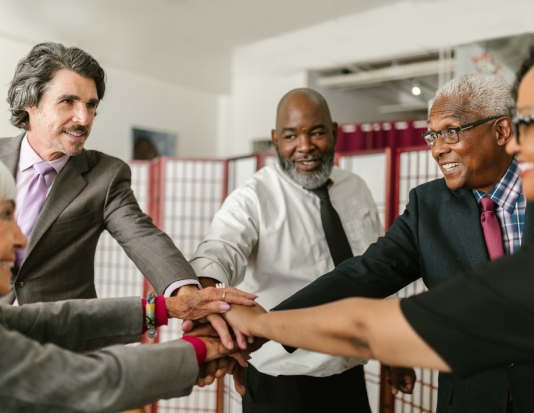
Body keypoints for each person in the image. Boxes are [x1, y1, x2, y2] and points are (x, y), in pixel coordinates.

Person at [221, 48, 534, 410]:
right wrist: (264, 327)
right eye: (432, 137)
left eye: (451, 132)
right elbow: (361, 276)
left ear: (502, 130)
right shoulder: (427, 206)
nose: (437, 150)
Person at [1, 42, 239, 342]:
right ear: (31, 103)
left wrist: (188, 293)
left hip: (68, 344)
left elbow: (142, 236)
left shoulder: (106, 174)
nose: (84, 118)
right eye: (68, 102)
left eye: (91, 105)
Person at [0, 159, 258, 412]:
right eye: (5, 215)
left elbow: (52, 321)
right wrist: (203, 349)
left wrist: (169, 307)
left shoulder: (105, 173)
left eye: (92, 111)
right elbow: (91, 380)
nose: (21, 239)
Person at [189, 88, 386, 413]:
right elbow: (218, 251)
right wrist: (206, 297)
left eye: (317, 132)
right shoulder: (252, 197)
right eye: (291, 135)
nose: (305, 146)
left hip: (351, 373)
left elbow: (378, 268)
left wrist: (393, 351)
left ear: (335, 132)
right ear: (275, 139)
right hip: (281, 382)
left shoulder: (356, 189)